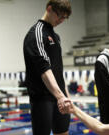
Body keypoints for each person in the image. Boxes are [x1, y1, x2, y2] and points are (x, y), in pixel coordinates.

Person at [23, 0, 72, 135]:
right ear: (49, 9)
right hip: (42, 97)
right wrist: (61, 96)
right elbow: (44, 69)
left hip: (59, 95)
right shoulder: (37, 34)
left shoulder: (56, 36)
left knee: (63, 132)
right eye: (60, 16)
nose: (62, 20)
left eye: (65, 18)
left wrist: (65, 94)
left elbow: (58, 70)